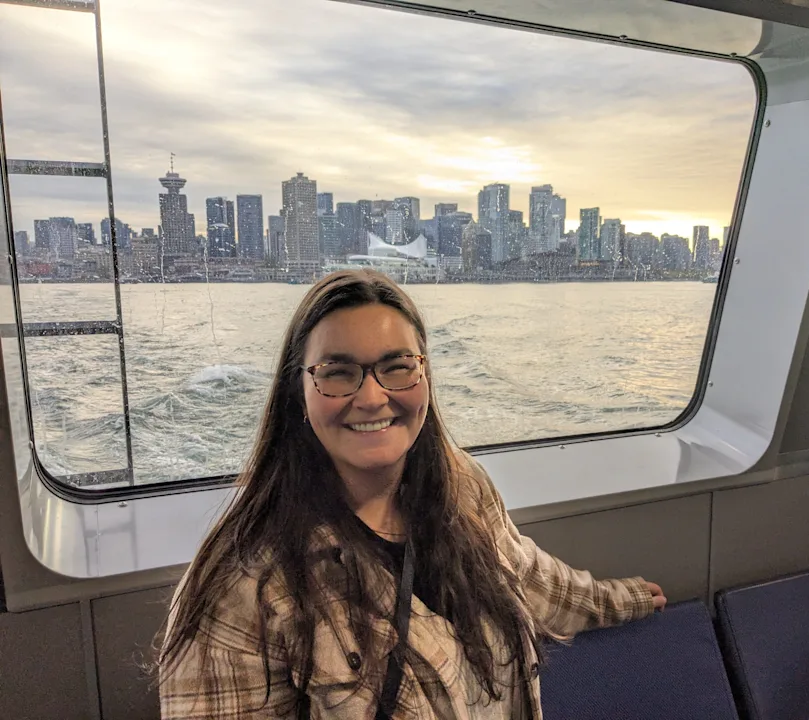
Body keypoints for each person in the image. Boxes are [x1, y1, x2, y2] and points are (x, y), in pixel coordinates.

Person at [158, 269, 665, 719]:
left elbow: (531, 578)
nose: (373, 396)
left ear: (423, 373)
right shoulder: (243, 582)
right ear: (299, 390)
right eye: (338, 372)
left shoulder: (460, 485)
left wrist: (620, 600)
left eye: (397, 365)